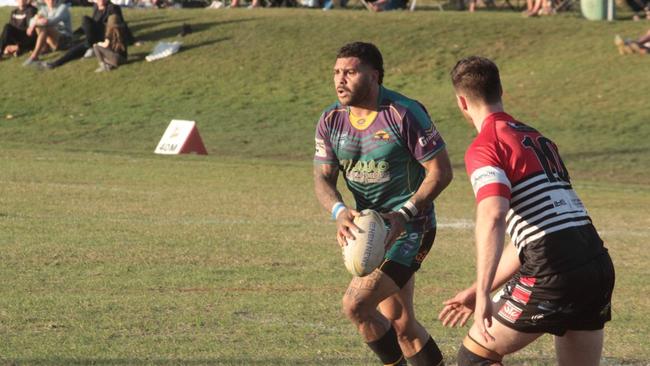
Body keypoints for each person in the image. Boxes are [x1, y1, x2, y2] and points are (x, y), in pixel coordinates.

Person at [438, 56, 615, 365]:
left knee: (474, 357)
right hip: (596, 265)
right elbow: (530, 236)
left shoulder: (487, 145)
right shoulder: (537, 138)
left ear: (462, 102)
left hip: (554, 267)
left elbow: (493, 215)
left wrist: (482, 295)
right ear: (500, 90)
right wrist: (477, 289)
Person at [313, 42, 452, 366]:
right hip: (372, 231)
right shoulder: (331, 120)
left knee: (355, 305)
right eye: (336, 72)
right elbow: (322, 178)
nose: (340, 80)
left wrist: (404, 214)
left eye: (350, 71)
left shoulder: (403, 113)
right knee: (403, 326)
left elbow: (441, 171)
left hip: (411, 227)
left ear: (374, 76)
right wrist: (338, 211)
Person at [45, 0, 134, 69]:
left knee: (85, 26)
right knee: (75, 50)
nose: (101, 1)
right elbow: (90, 25)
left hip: (106, 38)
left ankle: (89, 45)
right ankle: (56, 63)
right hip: (95, 37)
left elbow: (120, 24)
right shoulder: (96, 8)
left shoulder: (112, 8)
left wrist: (132, 40)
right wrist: (75, 34)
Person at [22, 0, 71, 67]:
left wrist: (35, 23)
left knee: (45, 26)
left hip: (65, 39)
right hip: (53, 39)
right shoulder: (44, 9)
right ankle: (45, 48)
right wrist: (33, 24)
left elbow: (53, 20)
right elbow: (32, 20)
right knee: (39, 24)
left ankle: (34, 56)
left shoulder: (62, 8)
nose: (51, 1)